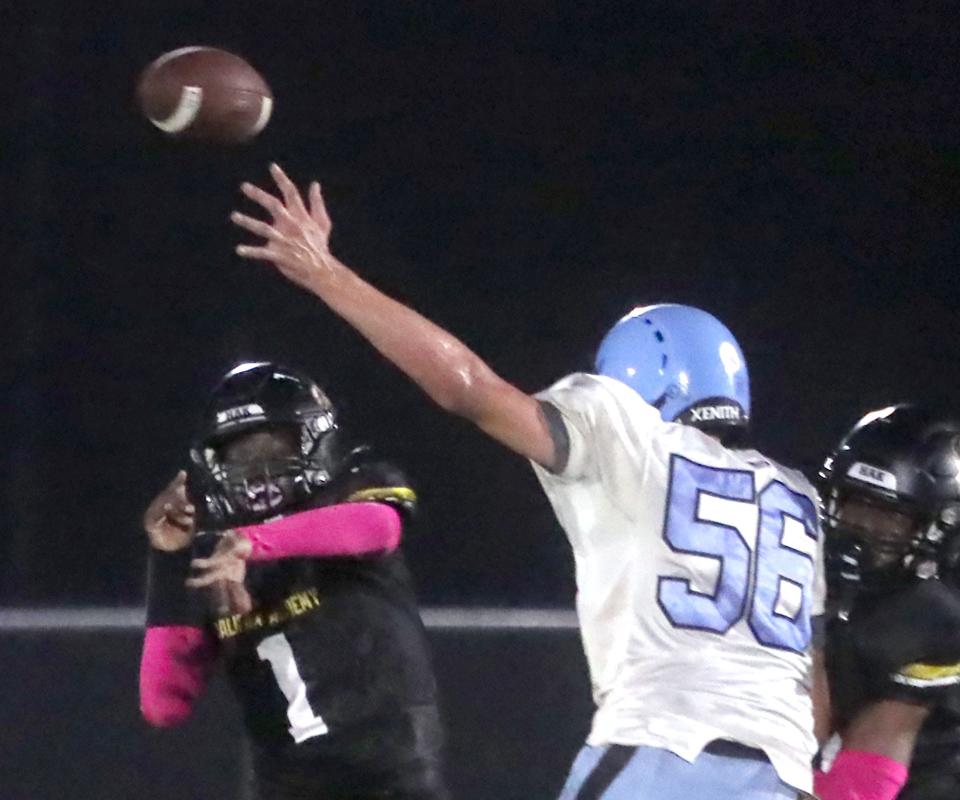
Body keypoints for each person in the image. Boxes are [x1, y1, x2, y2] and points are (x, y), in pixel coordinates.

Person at [230, 163, 829, 799]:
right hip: (783, 780)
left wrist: (328, 275)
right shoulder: (798, 498)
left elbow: (468, 389)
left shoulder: (628, 430)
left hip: (661, 752)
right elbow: (815, 688)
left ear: (639, 375)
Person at [140, 361, 449, 800]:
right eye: (241, 455)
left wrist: (252, 543)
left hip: (391, 785)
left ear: (314, 437)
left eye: (273, 446)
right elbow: (163, 704)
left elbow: (378, 527)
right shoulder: (212, 560)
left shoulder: (353, 488)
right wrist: (169, 560)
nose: (258, 470)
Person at [815, 404, 960, 800]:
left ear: (937, 526)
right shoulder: (806, 577)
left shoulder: (936, 622)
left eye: (888, 516)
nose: (862, 528)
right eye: (855, 504)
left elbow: (857, 785)